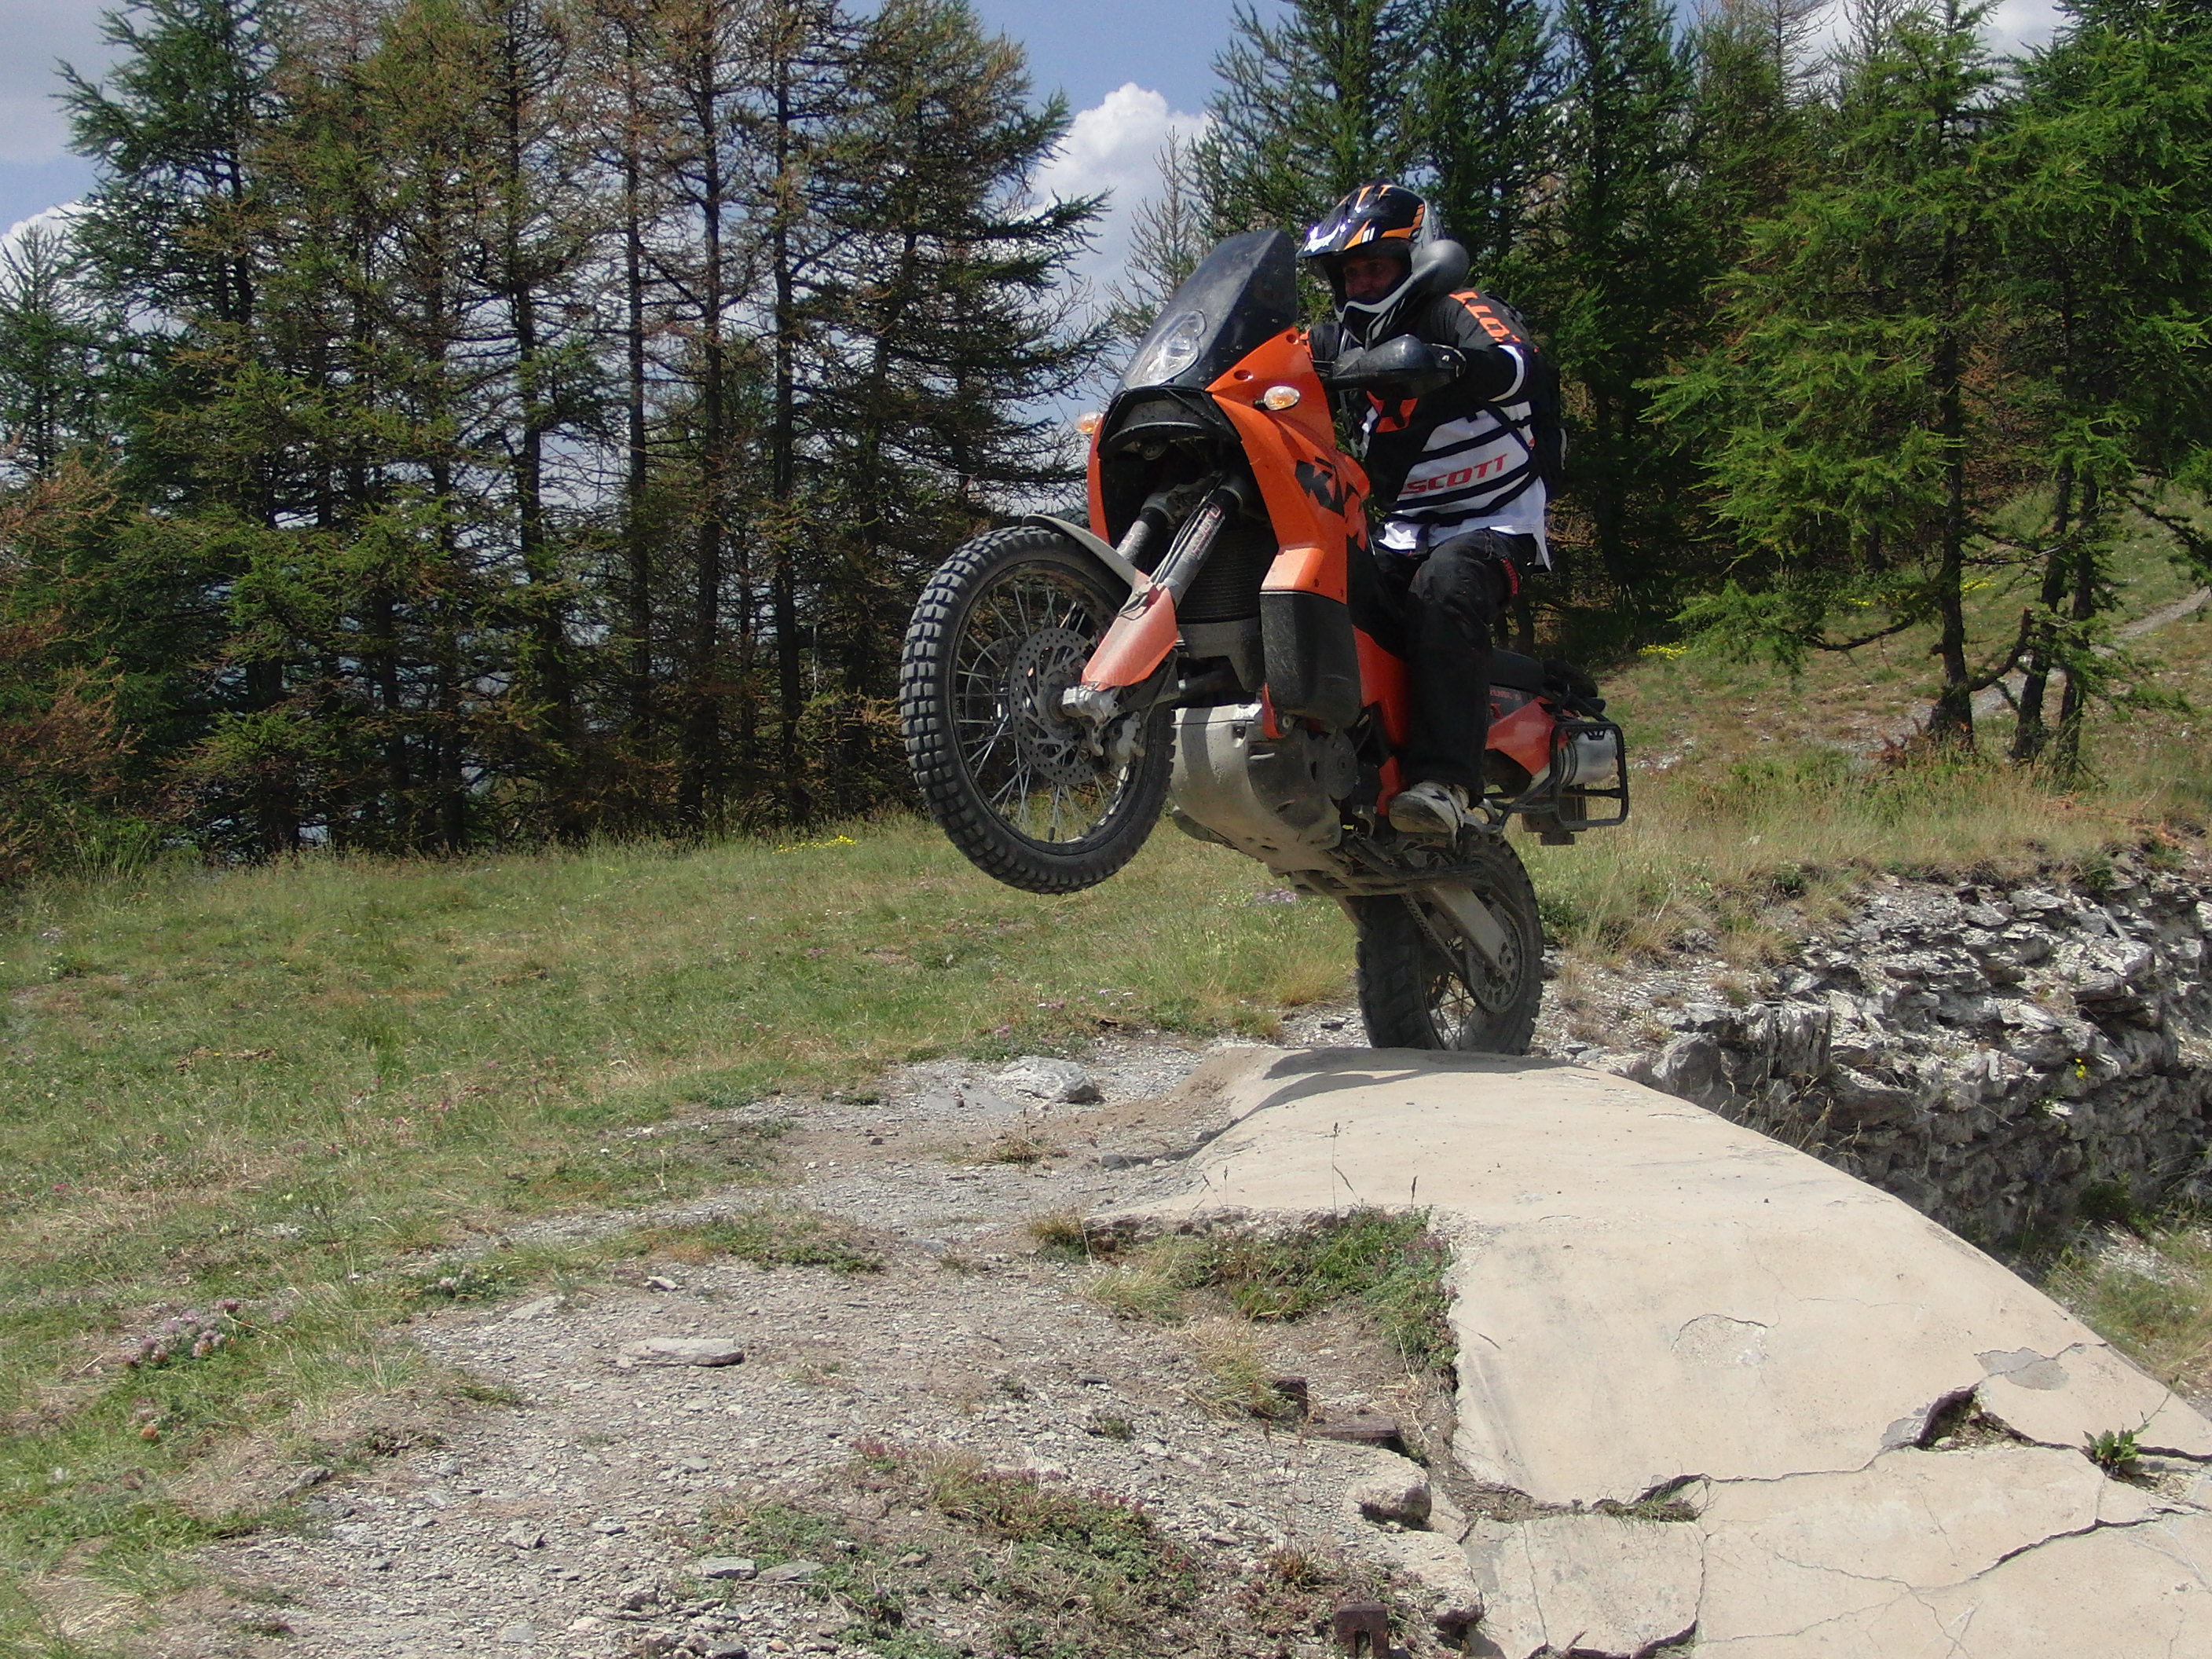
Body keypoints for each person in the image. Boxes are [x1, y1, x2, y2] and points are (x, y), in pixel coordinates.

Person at [1300, 181, 1551, 841]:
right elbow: (1267, 363)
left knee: (1445, 586)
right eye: (1349, 273)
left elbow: (1521, 364)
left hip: (1495, 524)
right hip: (1403, 532)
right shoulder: (1335, 340)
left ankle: (1446, 784)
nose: (1360, 283)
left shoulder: (1458, 310)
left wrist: (1450, 362)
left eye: (1375, 267)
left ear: (1414, 261)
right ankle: (1341, 768)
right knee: (1321, 590)